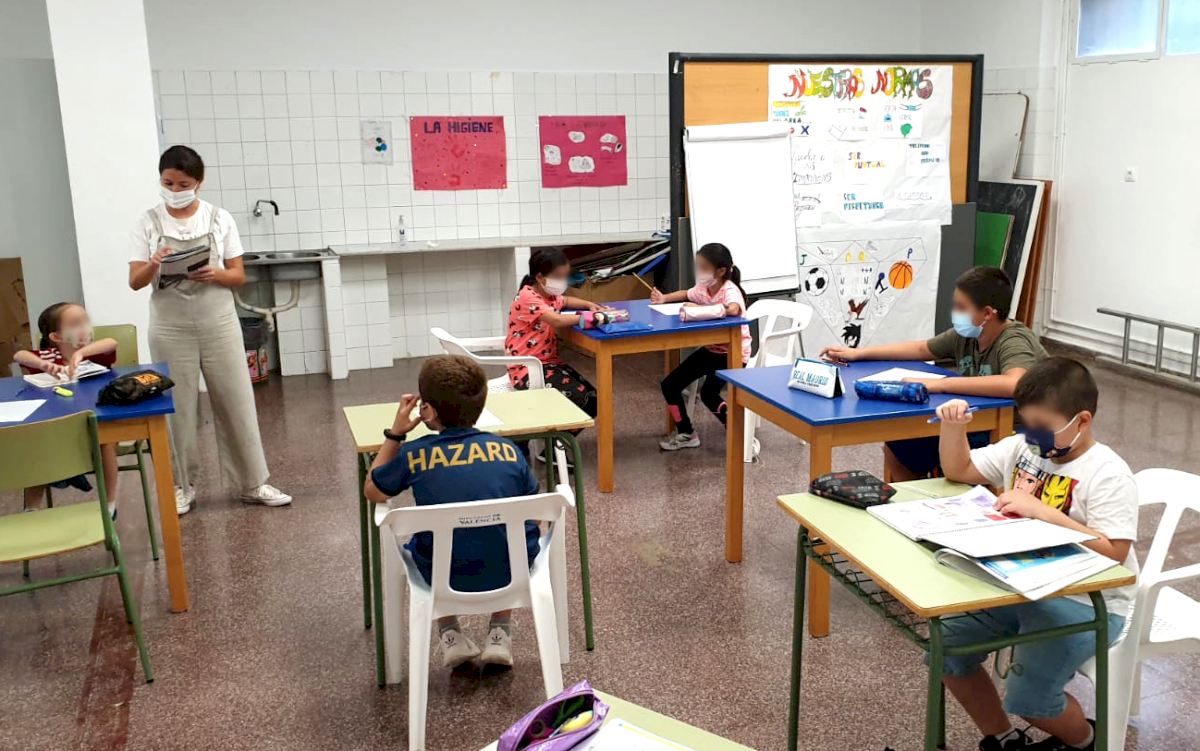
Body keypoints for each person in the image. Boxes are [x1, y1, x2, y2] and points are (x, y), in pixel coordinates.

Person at [933, 357, 1139, 751]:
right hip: (1021, 584)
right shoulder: (1023, 449)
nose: (1032, 436)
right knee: (946, 649)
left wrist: (1044, 512)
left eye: (1042, 428)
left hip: (1089, 600)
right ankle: (1005, 740)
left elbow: (1114, 552)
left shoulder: (1107, 473)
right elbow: (960, 470)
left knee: (1030, 699)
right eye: (1025, 424)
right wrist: (953, 427)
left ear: (1081, 421)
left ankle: (1087, 741)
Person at [128, 145, 290, 515]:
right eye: (168, 182)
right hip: (170, 326)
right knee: (177, 407)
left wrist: (213, 274)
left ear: (198, 183)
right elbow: (135, 281)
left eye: (183, 184)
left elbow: (238, 275)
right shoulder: (147, 222)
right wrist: (154, 263)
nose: (175, 190)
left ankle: (253, 482)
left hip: (218, 321)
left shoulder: (219, 219)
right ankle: (181, 486)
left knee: (236, 400)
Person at [363, 355, 541, 668]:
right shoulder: (510, 450)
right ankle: (500, 633)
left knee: (430, 542)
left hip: (441, 574)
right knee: (509, 535)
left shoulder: (414, 454)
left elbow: (372, 490)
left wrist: (395, 434)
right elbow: (534, 512)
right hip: (511, 571)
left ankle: (450, 635)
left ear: (427, 410)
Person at [821, 266, 1046, 480]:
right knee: (900, 442)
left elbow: (1014, 383)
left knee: (925, 441)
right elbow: (922, 349)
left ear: (987, 313)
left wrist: (939, 384)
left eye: (961, 307)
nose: (955, 313)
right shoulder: (967, 335)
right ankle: (913, 500)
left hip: (1016, 430)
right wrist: (859, 353)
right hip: (971, 420)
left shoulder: (1014, 340)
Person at [14, 302, 120, 516]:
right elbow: (20, 355)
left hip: (95, 424)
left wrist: (80, 355)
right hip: (57, 427)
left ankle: (109, 505)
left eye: (86, 321)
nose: (85, 327)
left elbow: (111, 342)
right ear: (56, 336)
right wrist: (43, 365)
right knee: (36, 444)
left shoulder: (96, 355)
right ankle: (31, 509)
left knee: (106, 443)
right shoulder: (49, 356)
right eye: (76, 323)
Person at [651, 242, 751, 451]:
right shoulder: (704, 288)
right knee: (670, 385)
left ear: (721, 271)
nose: (700, 272)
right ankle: (686, 432)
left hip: (733, 353)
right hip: (711, 350)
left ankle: (735, 430)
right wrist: (664, 298)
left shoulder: (729, 290)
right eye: (698, 267)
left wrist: (699, 309)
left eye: (704, 268)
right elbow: (686, 294)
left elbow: (733, 309)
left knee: (708, 393)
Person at [504, 247, 604, 419]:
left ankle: (559, 434)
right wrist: (589, 318)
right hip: (527, 370)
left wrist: (588, 305)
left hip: (549, 364)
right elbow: (556, 320)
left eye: (565, 277)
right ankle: (554, 434)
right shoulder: (527, 297)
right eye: (558, 277)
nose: (562, 282)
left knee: (593, 399)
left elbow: (566, 301)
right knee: (583, 400)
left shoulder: (548, 295)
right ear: (540, 277)